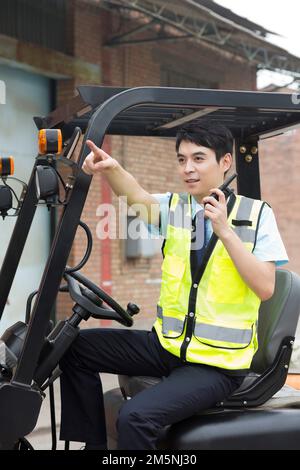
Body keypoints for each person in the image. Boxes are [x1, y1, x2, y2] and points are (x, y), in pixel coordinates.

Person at [59, 122, 289, 450]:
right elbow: (136, 196)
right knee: (74, 347)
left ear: (225, 162)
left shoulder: (256, 215)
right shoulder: (176, 209)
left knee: (135, 417)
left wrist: (223, 229)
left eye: (198, 158)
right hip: (167, 348)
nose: (188, 168)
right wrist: (111, 168)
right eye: (182, 160)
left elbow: (266, 287)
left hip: (217, 365)